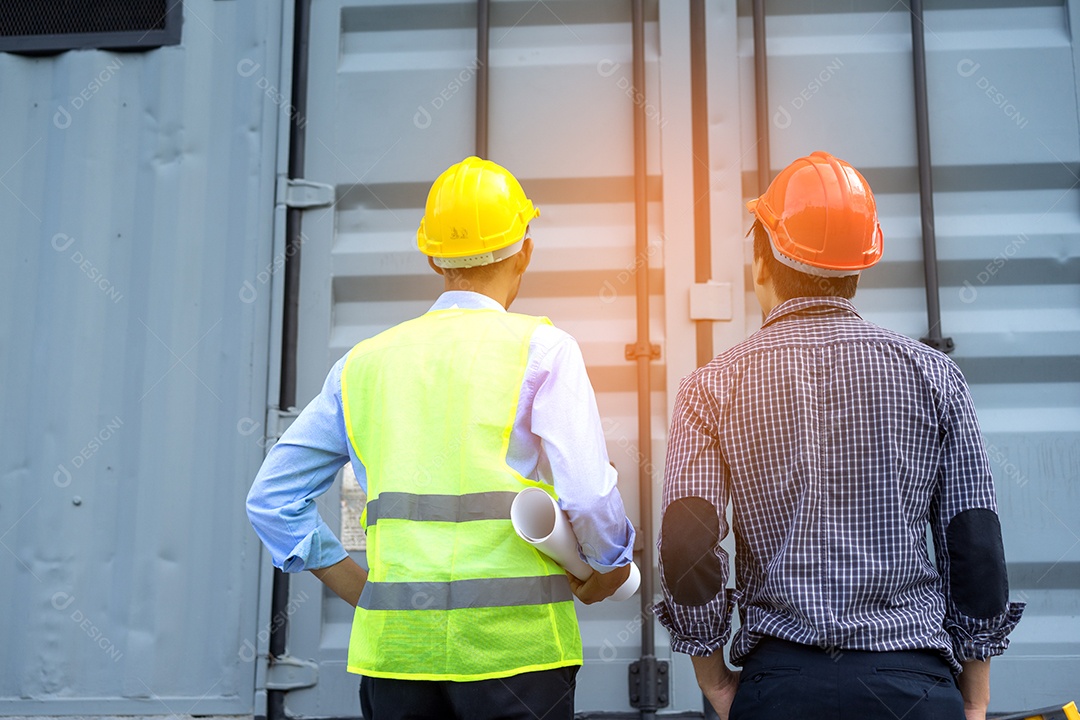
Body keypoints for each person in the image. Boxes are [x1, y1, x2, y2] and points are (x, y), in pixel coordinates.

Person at [246, 156, 635, 720]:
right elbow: (589, 498)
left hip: (397, 660)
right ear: (526, 249)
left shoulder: (363, 364)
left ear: (432, 257)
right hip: (517, 659)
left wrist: (361, 589)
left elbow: (271, 499)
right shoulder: (543, 351)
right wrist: (609, 565)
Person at [653, 151, 1023, 720]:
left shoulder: (712, 386)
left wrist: (716, 680)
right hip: (914, 685)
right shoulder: (933, 375)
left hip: (780, 687)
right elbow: (973, 538)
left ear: (760, 262)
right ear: (860, 266)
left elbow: (685, 543)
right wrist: (975, 696)